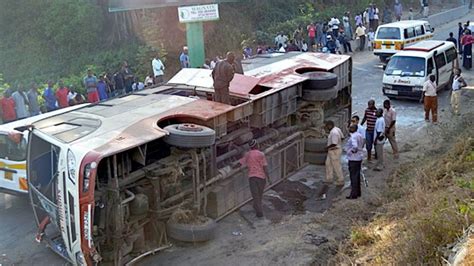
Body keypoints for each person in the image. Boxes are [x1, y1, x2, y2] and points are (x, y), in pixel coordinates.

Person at [238, 139, 270, 218]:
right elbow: (265, 167)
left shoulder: (247, 155)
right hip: (262, 178)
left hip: (252, 178)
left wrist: (231, 166)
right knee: (259, 194)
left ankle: (258, 210)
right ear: (256, 145)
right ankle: (258, 210)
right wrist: (269, 178)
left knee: (255, 195)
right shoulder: (261, 154)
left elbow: (240, 163)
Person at [345, 124, 365, 199]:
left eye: (351, 128)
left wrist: (352, 151)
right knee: (357, 176)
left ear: (354, 129)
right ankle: (358, 192)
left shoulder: (353, 136)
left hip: (353, 158)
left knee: (353, 176)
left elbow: (355, 146)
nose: (349, 129)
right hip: (359, 157)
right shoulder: (359, 135)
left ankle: (353, 194)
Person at [324, 120, 345, 186]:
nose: (326, 128)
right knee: (328, 164)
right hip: (332, 150)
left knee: (336, 166)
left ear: (330, 125)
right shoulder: (337, 129)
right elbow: (342, 137)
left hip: (334, 150)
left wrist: (327, 148)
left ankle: (340, 180)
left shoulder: (334, 132)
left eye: (327, 126)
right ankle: (329, 178)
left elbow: (334, 143)